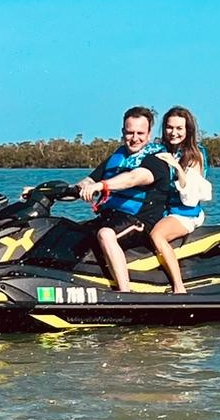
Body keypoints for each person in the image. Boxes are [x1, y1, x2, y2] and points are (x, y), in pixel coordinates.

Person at [71, 106, 172, 293]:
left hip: (140, 222)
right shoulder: (117, 157)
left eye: (140, 133)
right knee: (69, 232)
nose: (135, 138)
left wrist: (101, 186)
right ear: (122, 132)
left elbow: (134, 178)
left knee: (105, 234)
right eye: (130, 132)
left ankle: (124, 292)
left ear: (149, 134)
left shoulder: (156, 160)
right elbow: (89, 180)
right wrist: (49, 191)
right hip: (112, 217)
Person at [147, 106, 211, 294]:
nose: (173, 133)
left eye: (179, 128)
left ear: (187, 130)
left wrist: (176, 166)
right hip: (163, 210)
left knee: (157, 235)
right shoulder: (159, 150)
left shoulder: (194, 156)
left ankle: (179, 286)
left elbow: (190, 196)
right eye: (169, 127)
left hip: (185, 213)